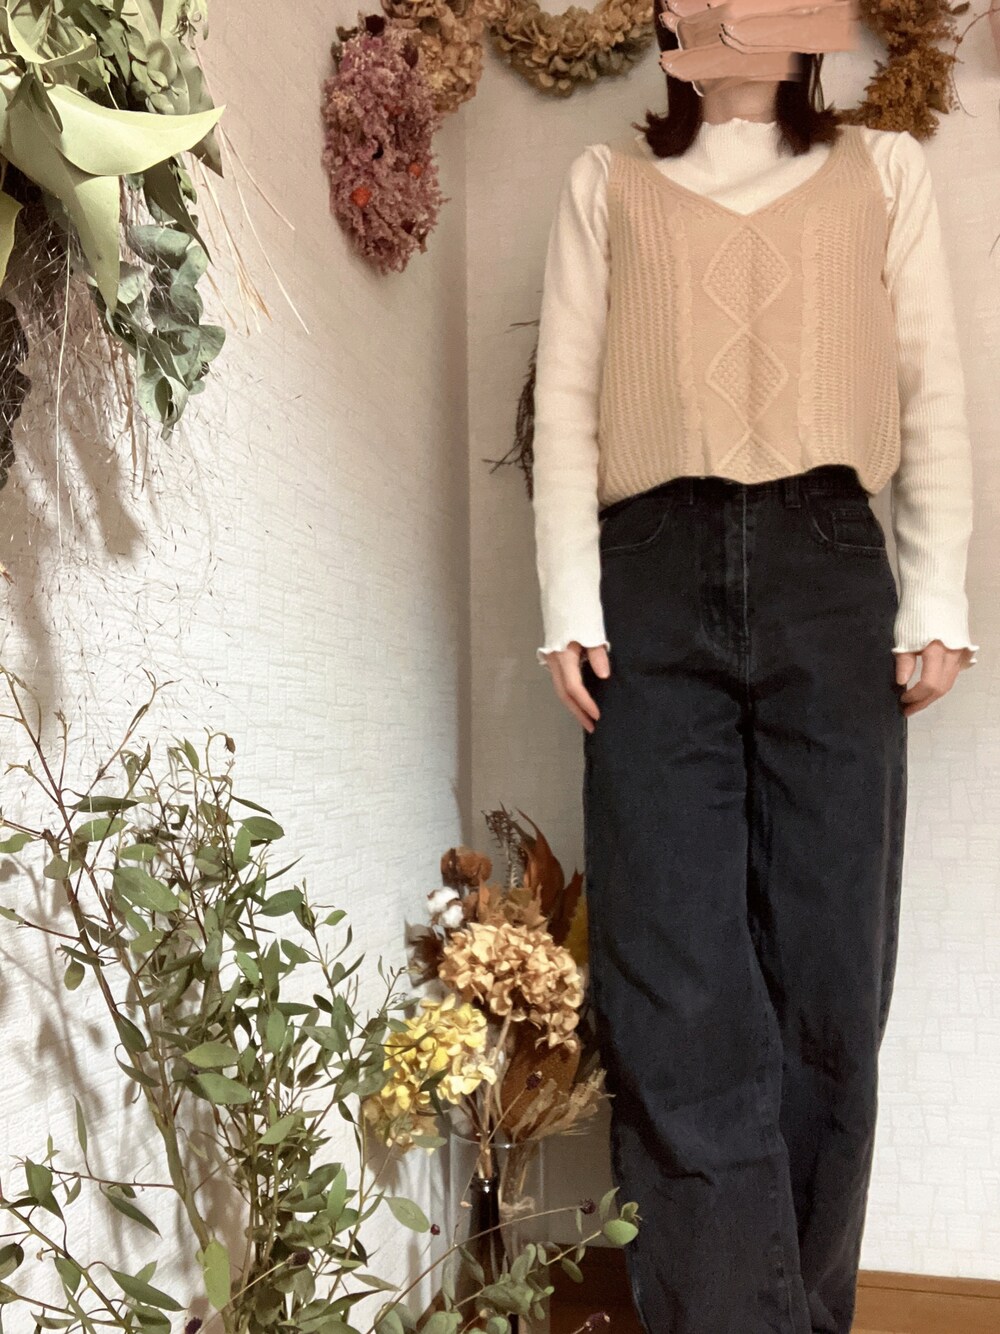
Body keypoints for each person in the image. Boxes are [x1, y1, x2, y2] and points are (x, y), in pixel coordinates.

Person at [530, 7, 979, 1333]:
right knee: (668, 975)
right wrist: (568, 601)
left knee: (830, 969)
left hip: (830, 566)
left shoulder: (882, 172)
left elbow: (931, 389)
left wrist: (938, 590)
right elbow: (567, 405)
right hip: (647, 578)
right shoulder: (604, 185)